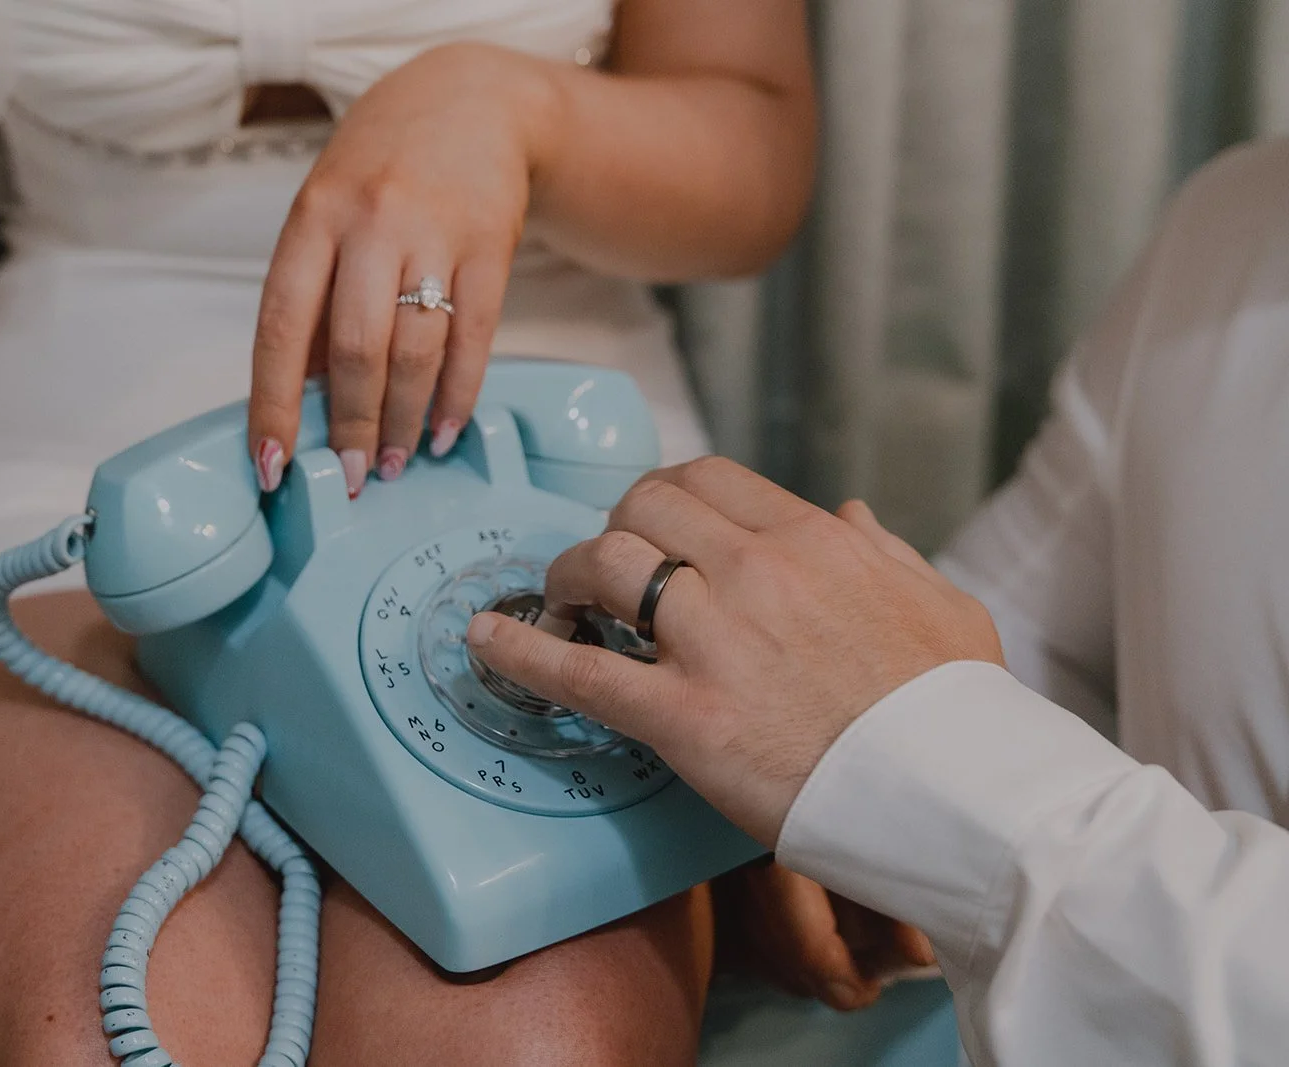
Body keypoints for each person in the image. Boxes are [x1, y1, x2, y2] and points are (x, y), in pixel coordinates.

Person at [0, 1, 824, 1063]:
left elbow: (756, 153)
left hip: (528, 429)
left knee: (532, 1042)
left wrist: (509, 109)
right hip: (73, 453)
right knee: (83, 1035)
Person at [470, 136, 1289, 1065]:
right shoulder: (1238, 217)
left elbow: (937, 733)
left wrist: (908, 773)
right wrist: (807, 813)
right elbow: (1036, 631)